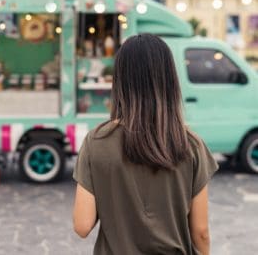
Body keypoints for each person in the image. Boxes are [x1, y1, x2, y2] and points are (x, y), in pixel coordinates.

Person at [73, 33, 219, 255]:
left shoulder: (96, 142)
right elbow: (200, 232)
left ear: (119, 81)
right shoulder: (191, 145)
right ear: (169, 80)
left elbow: (82, 226)